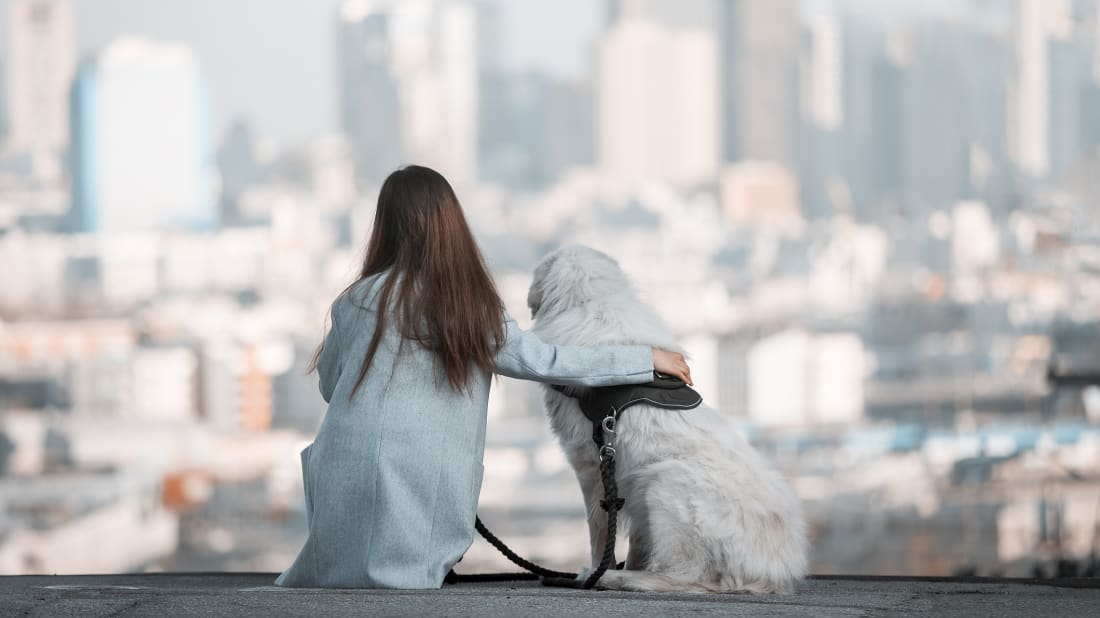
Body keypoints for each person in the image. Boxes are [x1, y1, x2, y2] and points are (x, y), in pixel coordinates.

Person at [274, 165, 692, 589]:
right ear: (451, 225)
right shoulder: (466, 302)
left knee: (346, 578)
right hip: (417, 481)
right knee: (404, 581)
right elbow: (544, 362)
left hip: (342, 471)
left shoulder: (354, 300)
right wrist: (644, 360)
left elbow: (330, 387)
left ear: (384, 226)